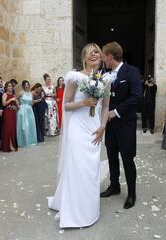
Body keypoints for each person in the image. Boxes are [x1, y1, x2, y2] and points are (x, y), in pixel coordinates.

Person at [48, 43, 110, 228]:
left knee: (90, 169)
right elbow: (65, 105)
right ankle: (74, 211)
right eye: (90, 52)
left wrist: (102, 126)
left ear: (101, 57)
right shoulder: (75, 78)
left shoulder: (105, 80)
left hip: (93, 127)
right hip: (77, 127)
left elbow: (105, 106)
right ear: (84, 57)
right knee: (78, 168)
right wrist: (84, 102)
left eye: (97, 52)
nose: (94, 55)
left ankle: (89, 210)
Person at [100, 42, 142, 209]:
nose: (103, 60)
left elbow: (137, 97)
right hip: (110, 126)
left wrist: (115, 112)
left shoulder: (132, 72)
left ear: (110, 56)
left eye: (104, 57)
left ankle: (132, 193)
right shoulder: (105, 74)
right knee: (111, 157)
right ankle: (114, 186)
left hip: (125, 125)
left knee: (127, 159)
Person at [17, 80, 38, 147]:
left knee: (30, 125)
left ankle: (30, 140)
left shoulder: (31, 93)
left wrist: (32, 103)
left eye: (28, 85)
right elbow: (15, 99)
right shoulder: (21, 93)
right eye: (25, 85)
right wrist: (18, 105)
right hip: (23, 110)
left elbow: (31, 102)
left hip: (29, 110)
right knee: (24, 126)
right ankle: (23, 141)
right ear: (23, 86)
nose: (27, 86)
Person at [1, 82, 18, 152]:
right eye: (8, 86)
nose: (10, 87)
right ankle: (8, 145)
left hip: (13, 113)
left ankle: (13, 144)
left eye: (11, 86)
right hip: (7, 112)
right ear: (6, 87)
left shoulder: (14, 95)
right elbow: (3, 103)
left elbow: (17, 106)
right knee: (8, 128)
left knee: (13, 128)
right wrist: (11, 100)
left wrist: (16, 105)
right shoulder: (5, 94)